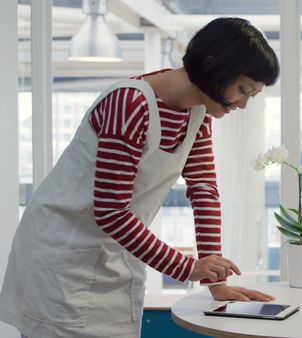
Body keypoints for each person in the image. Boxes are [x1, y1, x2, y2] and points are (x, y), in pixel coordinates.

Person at [0, 17, 279, 338]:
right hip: (61, 256)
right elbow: (110, 209)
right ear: (215, 65)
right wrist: (186, 267)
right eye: (242, 89)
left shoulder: (197, 113)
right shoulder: (131, 104)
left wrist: (215, 281)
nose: (243, 104)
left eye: (252, 95)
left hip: (114, 255)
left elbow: (204, 191)